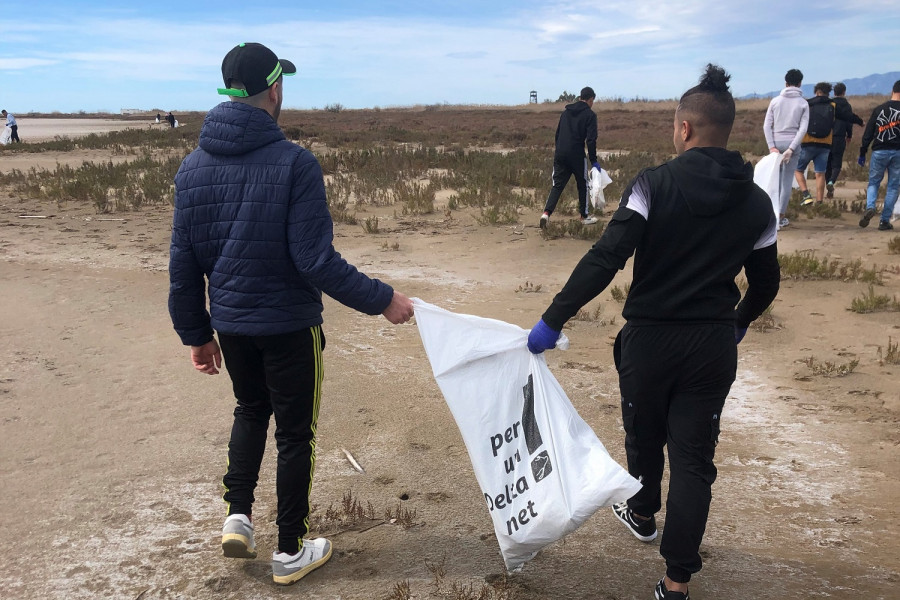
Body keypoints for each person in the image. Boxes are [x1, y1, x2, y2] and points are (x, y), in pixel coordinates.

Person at [527, 64, 780, 600]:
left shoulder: (651, 185)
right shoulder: (759, 204)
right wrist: (737, 324)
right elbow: (766, 283)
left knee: (644, 436)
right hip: (712, 346)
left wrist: (553, 319)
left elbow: (606, 257)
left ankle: (642, 510)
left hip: (650, 340)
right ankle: (676, 582)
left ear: (684, 128)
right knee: (694, 459)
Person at [168, 42, 415, 586]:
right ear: (275, 88)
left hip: (231, 325)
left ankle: (238, 517)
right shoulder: (295, 163)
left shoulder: (192, 168)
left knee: (250, 410)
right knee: (294, 435)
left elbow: (182, 264)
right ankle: (290, 550)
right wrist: (384, 300)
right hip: (289, 327)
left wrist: (196, 333)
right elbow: (315, 261)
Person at [539, 86, 601, 228]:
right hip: (577, 154)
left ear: (580, 97)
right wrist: (594, 161)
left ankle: (546, 214)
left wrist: (559, 150)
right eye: (592, 101)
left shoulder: (566, 113)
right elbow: (591, 140)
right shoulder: (590, 115)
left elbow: (558, 133)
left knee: (557, 185)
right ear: (590, 100)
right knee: (582, 184)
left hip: (560, 153)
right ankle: (584, 216)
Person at [794, 82, 860, 206]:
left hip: (808, 142)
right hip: (825, 144)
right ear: (829, 92)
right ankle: (820, 202)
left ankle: (806, 195)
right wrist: (860, 122)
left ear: (816, 91)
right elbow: (848, 116)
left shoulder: (807, 103)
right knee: (820, 174)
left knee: (798, 170)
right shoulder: (833, 105)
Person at [763, 69, 808, 228]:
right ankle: (780, 217)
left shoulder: (775, 101)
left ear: (786, 83)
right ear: (800, 83)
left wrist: (772, 146)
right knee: (786, 181)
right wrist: (791, 148)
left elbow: (767, 125)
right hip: (792, 144)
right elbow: (802, 129)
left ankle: (769, 214)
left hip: (776, 142)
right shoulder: (803, 103)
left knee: (773, 181)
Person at [858, 79, 900, 231]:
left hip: (879, 150)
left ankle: (870, 206)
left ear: (892, 91)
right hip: (898, 152)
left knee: (874, 182)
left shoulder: (879, 109)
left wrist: (863, 152)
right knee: (894, 187)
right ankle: (884, 221)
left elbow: (868, 133)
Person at [824, 82, 864, 198]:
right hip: (839, 137)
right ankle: (831, 182)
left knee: (828, 165)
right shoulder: (847, 105)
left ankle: (829, 188)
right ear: (844, 92)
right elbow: (849, 121)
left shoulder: (829, 104)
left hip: (827, 137)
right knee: (837, 164)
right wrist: (849, 135)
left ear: (834, 92)